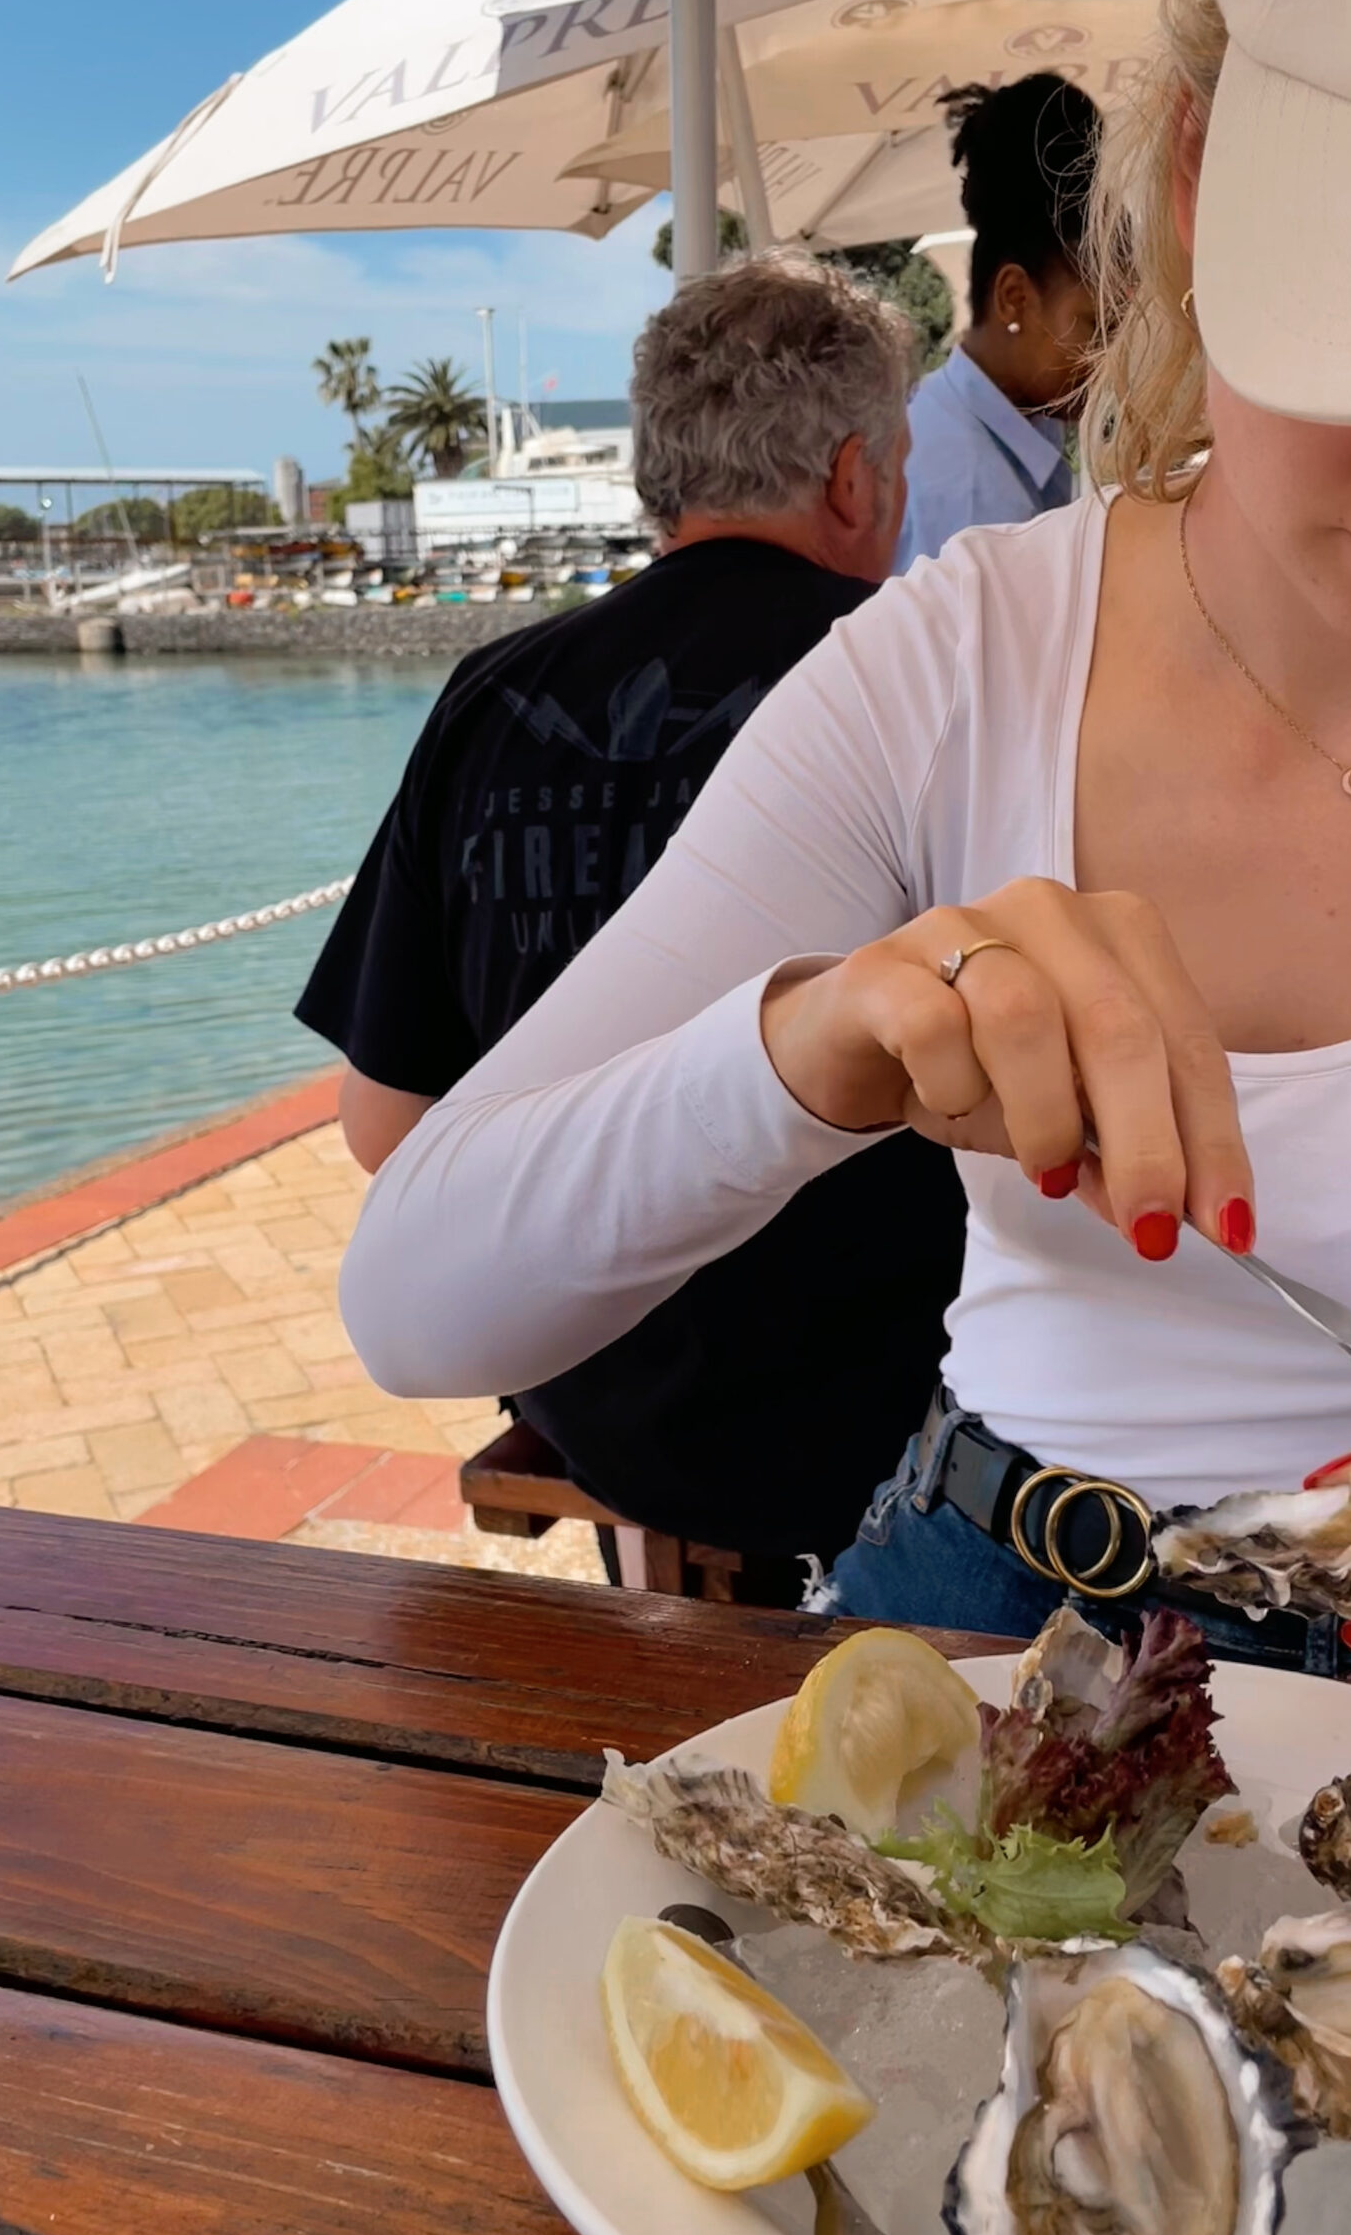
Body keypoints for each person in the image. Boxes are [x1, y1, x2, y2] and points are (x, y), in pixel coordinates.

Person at [338, 0, 1351, 1760]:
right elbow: (421, 1300)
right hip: (983, 1608)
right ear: (1203, 186)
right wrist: (816, 1039)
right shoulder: (967, 654)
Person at [298, 254, 967, 1605]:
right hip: (893, 1413)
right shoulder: (924, 673)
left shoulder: (492, 699)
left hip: (602, 1397)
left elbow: (387, 1129)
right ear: (856, 477)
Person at [892, 71, 1104, 570]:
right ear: (1013, 298)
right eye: (1094, 326)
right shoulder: (975, 500)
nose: (1107, 357)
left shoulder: (957, 422)